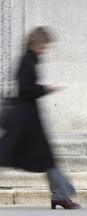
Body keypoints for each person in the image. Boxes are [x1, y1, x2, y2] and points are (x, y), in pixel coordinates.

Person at [0, 27, 81, 210]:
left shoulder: (29, 60)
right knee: (40, 157)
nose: (46, 49)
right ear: (38, 43)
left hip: (28, 118)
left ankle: (60, 195)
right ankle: (60, 195)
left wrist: (42, 89)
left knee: (45, 158)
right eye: (45, 45)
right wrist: (44, 89)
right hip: (25, 120)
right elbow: (24, 89)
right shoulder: (27, 61)